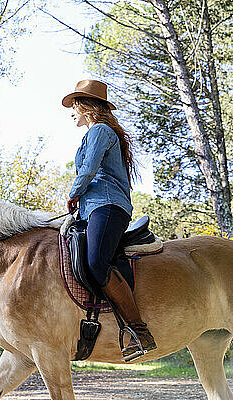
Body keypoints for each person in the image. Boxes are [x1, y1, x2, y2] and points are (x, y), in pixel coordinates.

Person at [62, 79, 156, 360]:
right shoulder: (93, 133)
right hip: (94, 208)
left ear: (87, 107)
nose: (71, 112)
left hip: (108, 205)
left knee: (96, 262)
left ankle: (139, 331)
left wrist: (73, 193)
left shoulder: (100, 130)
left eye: (75, 106)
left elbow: (89, 169)